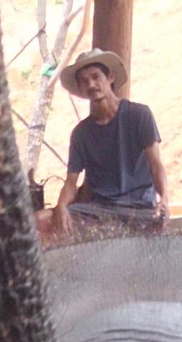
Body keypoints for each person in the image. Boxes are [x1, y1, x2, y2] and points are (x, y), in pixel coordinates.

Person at [49, 49, 169, 236]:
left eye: (96, 77)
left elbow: (156, 164)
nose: (91, 84)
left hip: (138, 208)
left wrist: (165, 200)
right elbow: (71, 181)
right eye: (84, 81)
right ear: (80, 88)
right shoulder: (80, 134)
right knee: (42, 222)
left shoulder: (139, 115)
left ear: (110, 78)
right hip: (99, 210)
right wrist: (61, 206)